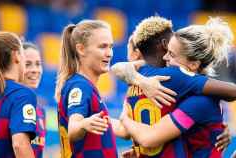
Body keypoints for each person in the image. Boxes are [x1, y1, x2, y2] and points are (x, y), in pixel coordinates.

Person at [111, 16, 234, 157]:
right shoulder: (183, 90)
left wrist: (124, 118)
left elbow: (149, 138)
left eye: (172, 54)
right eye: (167, 51)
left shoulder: (198, 99)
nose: (165, 58)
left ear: (194, 64)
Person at [56, 20, 124, 158]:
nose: (109, 53)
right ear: (81, 49)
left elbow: (123, 131)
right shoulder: (80, 86)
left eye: (111, 47)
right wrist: (83, 124)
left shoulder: (85, 86)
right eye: (103, 47)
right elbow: (74, 128)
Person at [22, 42, 46, 158]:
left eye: (38, 64)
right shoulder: (8, 104)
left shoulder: (40, 110)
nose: (35, 70)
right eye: (27, 64)